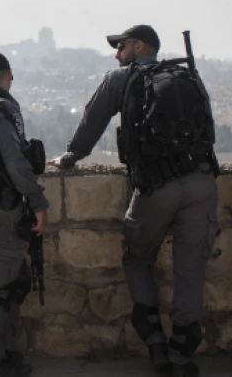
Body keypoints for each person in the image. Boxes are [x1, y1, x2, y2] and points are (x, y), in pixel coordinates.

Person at [49, 25, 219, 377]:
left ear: (140, 46)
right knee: (191, 268)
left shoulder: (121, 79)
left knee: (138, 259)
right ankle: (182, 354)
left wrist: (69, 158)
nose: (116, 53)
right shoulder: (187, 75)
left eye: (121, 46)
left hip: (156, 184)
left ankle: (154, 340)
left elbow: (92, 122)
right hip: (201, 180)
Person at [0, 50, 50, 377]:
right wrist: (39, 202)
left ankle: (2, 351)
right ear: (9, 76)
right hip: (2, 209)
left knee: (15, 279)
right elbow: (15, 163)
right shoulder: (0, 111)